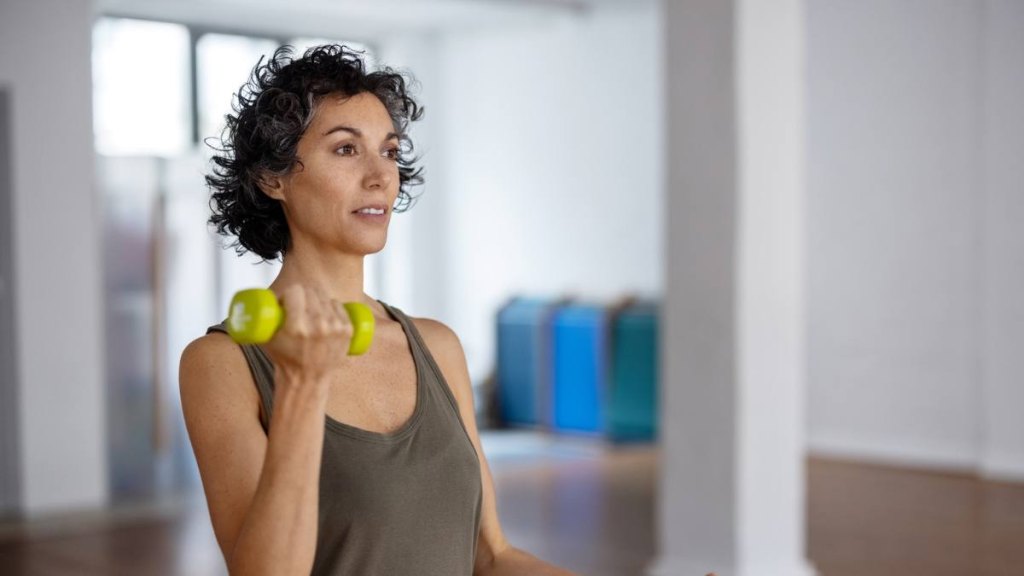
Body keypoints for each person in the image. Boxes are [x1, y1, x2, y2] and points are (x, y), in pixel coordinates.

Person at [179, 44, 576, 576]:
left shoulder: (437, 346)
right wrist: (302, 384)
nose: (380, 176)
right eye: (346, 150)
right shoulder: (222, 362)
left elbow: (492, 555)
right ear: (272, 179)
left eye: (388, 151)